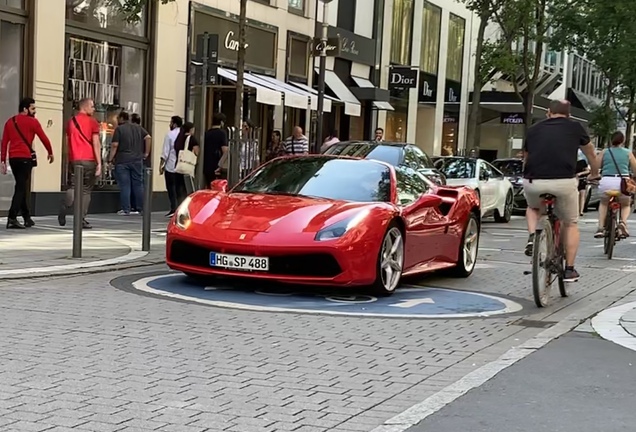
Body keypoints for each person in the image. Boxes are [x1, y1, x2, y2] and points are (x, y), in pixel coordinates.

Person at [522, 99, 599, 282]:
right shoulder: (575, 127)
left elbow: (526, 157)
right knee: (570, 223)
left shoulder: (533, 129)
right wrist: (594, 173)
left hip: (534, 181)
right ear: (569, 114)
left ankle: (533, 236)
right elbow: (590, 153)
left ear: (548, 112)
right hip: (564, 181)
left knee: (533, 208)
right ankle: (570, 270)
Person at [0, 97, 54, 229]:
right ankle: (12, 217)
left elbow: (4, 142)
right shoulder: (32, 122)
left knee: (21, 185)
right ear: (25, 109)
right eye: (32, 108)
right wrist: (50, 152)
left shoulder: (10, 122)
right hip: (25, 158)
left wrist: (2, 160)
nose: (34, 111)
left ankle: (26, 217)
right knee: (20, 187)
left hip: (13, 158)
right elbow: (44, 138)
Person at [59, 97, 103, 229]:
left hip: (75, 159)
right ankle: (81, 219)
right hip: (89, 159)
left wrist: (68, 158)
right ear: (84, 107)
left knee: (73, 186)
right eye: (92, 106)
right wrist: (99, 162)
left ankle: (65, 205)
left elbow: (67, 142)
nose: (94, 109)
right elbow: (96, 143)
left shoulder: (71, 122)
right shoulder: (92, 122)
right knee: (85, 191)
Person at [594, 131, 636, 238]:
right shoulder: (628, 152)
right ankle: (623, 222)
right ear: (622, 141)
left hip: (607, 181)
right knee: (626, 204)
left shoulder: (604, 152)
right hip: (623, 183)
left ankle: (600, 228)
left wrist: (592, 176)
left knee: (603, 203)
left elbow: (596, 166)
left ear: (611, 140)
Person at [108, 111, 150, 215]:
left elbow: (114, 145)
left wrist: (110, 159)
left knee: (125, 185)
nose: (117, 120)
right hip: (137, 160)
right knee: (138, 184)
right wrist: (146, 153)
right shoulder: (138, 128)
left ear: (122, 118)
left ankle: (126, 209)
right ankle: (140, 208)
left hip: (122, 160)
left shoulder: (119, 129)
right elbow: (148, 137)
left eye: (118, 118)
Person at [160, 115, 183, 217]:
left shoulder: (170, 135)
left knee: (171, 188)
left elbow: (165, 152)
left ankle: (173, 208)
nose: (170, 124)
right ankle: (180, 208)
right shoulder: (183, 134)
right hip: (182, 166)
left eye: (170, 122)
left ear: (174, 123)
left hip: (171, 165)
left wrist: (161, 165)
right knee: (180, 188)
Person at [173, 122, 200, 197]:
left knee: (179, 190)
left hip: (178, 166)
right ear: (191, 129)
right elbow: (196, 152)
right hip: (187, 167)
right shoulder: (191, 138)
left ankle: (179, 205)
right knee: (188, 189)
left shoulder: (179, 138)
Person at [203, 113, 227, 186]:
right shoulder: (222, 133)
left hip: (206, 164)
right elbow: (225, 151)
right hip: (217, 165)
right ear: (221, 122)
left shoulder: (206, 133)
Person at [575, 149, 590, 216]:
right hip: (574, 180)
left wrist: (580, 173)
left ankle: (581, 211)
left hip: (582, 179)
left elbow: (587, 171)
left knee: (582, 195)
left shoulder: (582, 162)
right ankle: (576, 210)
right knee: (576, 195)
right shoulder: (571, 162)